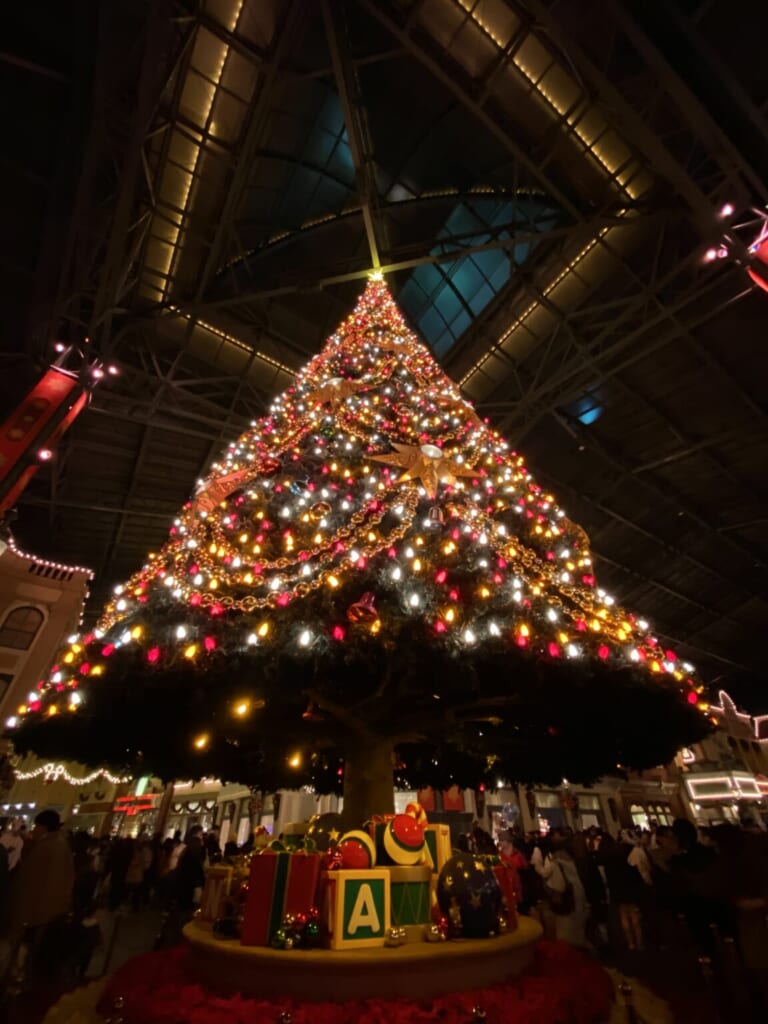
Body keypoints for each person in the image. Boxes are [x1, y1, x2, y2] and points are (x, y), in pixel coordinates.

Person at [6, 810, 75, 980]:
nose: (34, 829)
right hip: (49, 911)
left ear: (43, 827)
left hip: (38, 913)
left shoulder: (49, 847)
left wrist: (25, 913)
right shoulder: (59, 844)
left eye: (36, 826)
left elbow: (33, 883)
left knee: (26, 953)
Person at [532, 832, 590, 948]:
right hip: (578, 895)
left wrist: (537, 865)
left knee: (565, 931)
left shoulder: (555, 862)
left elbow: (544, 873)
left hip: (566, 898)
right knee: (577, 930)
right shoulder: (573, 861)